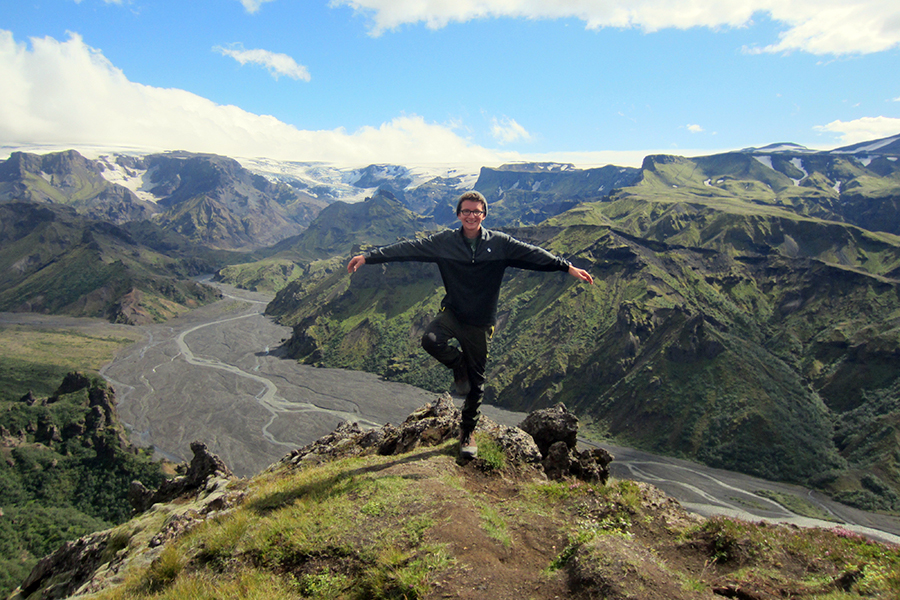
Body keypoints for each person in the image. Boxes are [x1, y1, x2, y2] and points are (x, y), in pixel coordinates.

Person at [347, 191, 593, 460]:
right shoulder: (445, 242)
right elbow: (409, 249)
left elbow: (532, 254)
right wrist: (369, 257)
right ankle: (459, 365)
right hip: (453, 313)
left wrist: (566, 267)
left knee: (476, 384)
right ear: (458, 214)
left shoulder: (500, 243)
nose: (471, 216)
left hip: (480, 322)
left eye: (476, 211)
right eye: (466, 211)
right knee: (430, 340)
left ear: (484, 214)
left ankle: (467, 433)